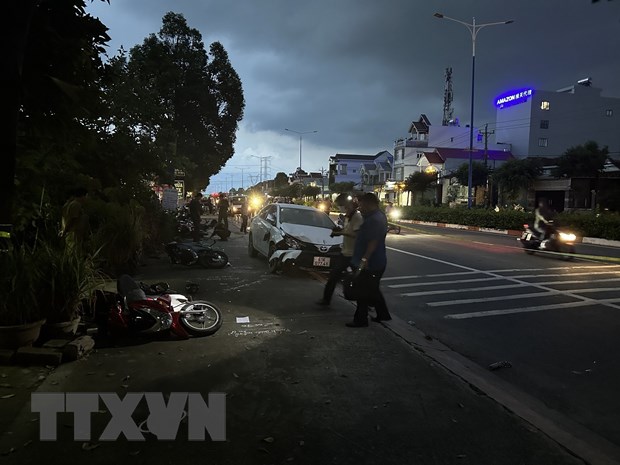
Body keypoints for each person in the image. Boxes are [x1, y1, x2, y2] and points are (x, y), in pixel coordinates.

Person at [346, 192, 392, 327]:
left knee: (362, 293)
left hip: (371, 263)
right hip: (374, 261)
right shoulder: (375, 216)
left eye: (361, 204)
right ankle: (383, 314)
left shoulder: (375, 220)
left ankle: (360, 320)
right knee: (372, 289)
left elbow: (373, 242)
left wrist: (364, 260)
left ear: (368, 203)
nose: (359, 207)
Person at [316, 195, 363, 307]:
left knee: (361, 280)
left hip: (354, 254)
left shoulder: (357, 217)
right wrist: (339, 230)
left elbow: (356, 234)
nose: (340, 208)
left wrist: (340, 233)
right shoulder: (347, 217)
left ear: (347, 205)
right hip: (345, 252)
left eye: (341, 205)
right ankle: (326, 300)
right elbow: (347, 230)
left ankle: (368, 304)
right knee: (333, 277)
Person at [60, 187, 89, 251]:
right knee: (73, 253)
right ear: (83, 196)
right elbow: (72, 219)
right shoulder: (76, 204)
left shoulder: (76, 204)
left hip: (75, 234)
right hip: (73, 234)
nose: (87, 198)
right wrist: (65, 231)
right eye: (86, 196)